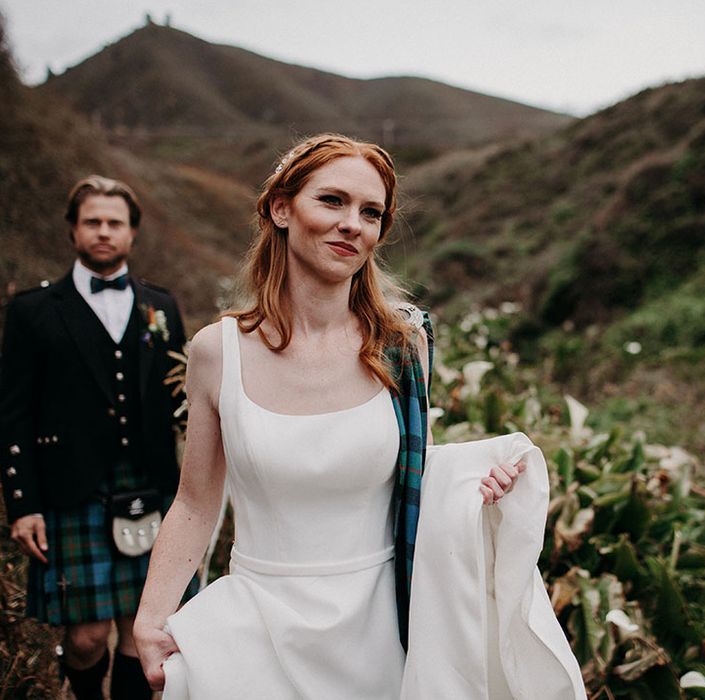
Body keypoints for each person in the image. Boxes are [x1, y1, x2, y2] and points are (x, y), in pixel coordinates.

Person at [133, 134, 525, 697]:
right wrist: (150, 619)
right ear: (281, 208)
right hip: (255, 629)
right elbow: (196, 501)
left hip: (379, 634)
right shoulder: (217, 353)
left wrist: (475, 483)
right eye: (332, 201)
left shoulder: (403, 344)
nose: (353, 224)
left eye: (371, 213)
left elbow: (419, 476)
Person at [0, 175, 195, 700]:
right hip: (70, 489)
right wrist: (23, 504)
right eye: (93, 222)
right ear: (73, 231)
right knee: (84, 639)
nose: (103, 232)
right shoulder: (31, 311)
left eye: (115, 223)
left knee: (142, 630)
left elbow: (181, 401)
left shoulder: (162, 307)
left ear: (132, 233)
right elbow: (13, 412)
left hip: (150, 484)